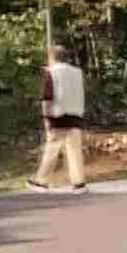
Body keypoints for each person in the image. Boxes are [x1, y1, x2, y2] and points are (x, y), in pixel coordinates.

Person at [28, 46, 87, 192]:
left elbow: (47, 98)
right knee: (74, 151)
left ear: (52, 57)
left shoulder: (51, 72)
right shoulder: (77, 73)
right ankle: (79, 183)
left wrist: (46, 118)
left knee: (51, 150)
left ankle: (41, 181)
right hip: (76, 116)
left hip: (58, 116)